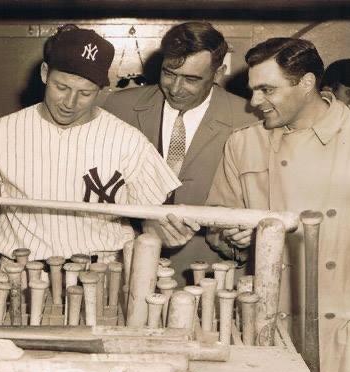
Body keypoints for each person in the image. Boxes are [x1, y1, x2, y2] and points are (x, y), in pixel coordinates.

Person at [0, 25, 199, 264]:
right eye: (61, 87)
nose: (69, 102)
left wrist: (166, 232)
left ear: (101, 91)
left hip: (101, 272)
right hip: (22, 272)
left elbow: (151, 220)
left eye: (85, 93)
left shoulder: (128, 141)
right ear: (44, 73)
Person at [206, 37, 350, 372]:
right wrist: (236, 235)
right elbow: (218, 222)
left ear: (306, 83)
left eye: (267, 90)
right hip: (273, 331)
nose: (254, 102)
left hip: (349, 335)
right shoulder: (244, 144)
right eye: (253, 90)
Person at [102, 21, 257, 284]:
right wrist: (143, 223)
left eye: (191, 79)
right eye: (169, 73)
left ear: (218, 73)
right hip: (128, 271)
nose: (175, 88)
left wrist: (239, 238)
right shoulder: (117, 108)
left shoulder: (249, 120)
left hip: (213, 277)